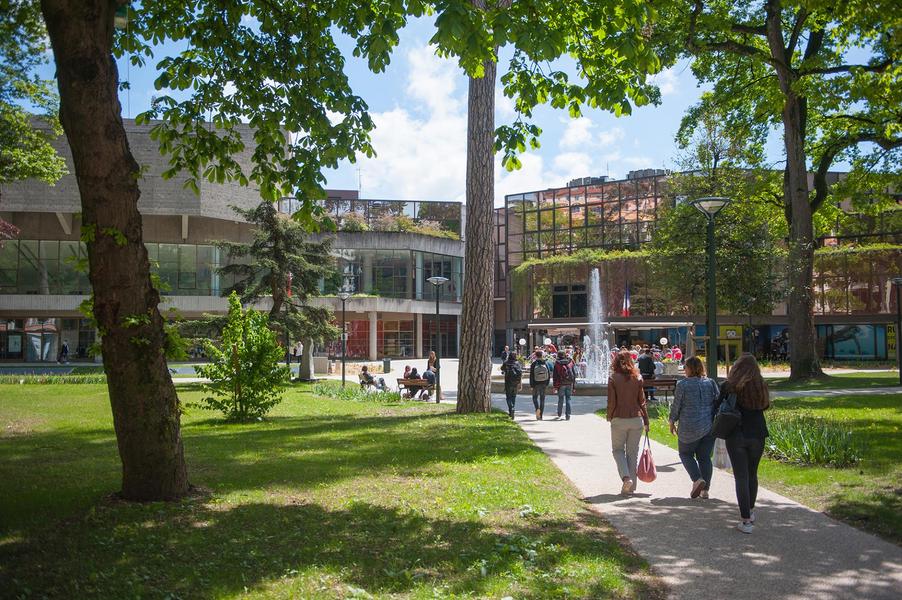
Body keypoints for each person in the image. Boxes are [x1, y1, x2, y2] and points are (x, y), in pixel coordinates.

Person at [715, 354, 770, 534]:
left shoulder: (730, 386)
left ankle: (745, 519)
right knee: (752, 474)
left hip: (736, 433)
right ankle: (751, 511)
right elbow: (765, 406)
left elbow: (716, 406)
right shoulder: (760, 385)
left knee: (741, 477)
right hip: (758, 433)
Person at [669, 356, 719, 499]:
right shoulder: (710, 383)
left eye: (685, 367)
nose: (684, 370)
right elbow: (718, 401)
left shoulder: (683, 385)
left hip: (688, 427)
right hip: (708, 426)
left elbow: (677, 405)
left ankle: (697, 479)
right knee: (704, 457)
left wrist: (672, 421)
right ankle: (705, 490)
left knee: (685, 454)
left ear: (689, 368)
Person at [607, 350, 649, 495]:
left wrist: (609, 416)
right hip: (636, 419)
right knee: (633, 453)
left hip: (619, 418)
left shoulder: (613, 378)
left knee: (618, 450)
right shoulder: (637, 377)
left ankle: (626, 478)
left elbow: (612, 401)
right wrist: (646, 420)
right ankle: (631, 488)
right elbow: (642, 402)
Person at [552, 350, 576, 420]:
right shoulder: (570, 362)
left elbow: (555, 376)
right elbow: (574, 375)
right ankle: (568, 415)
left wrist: (555, 386)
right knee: (568, 399)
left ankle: (559, 413)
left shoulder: (557, 363)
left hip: (561, 383)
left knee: (560, 399)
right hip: (569, 383)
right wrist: (574, 386)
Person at [529, 350, 552, 420]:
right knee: (542, 399)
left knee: (534, 398)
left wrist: (531, 385)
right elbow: (548, 373)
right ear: (542, 355)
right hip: (544, 383)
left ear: (535, 356)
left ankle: (537, 409)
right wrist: (547, 383)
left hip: (536, 384)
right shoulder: (545, 363)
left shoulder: (533, 364)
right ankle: (541, 415)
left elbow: (531, 376)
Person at [500, 352, 522, 418]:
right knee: (513, 397)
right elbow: (520, 374)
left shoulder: (506, 362)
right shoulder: (517, 363)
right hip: (515, 383)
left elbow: (502, 369)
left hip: (508, 382)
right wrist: (520, 383)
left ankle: (511, 408)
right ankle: (512, 409)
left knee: (508, 397)